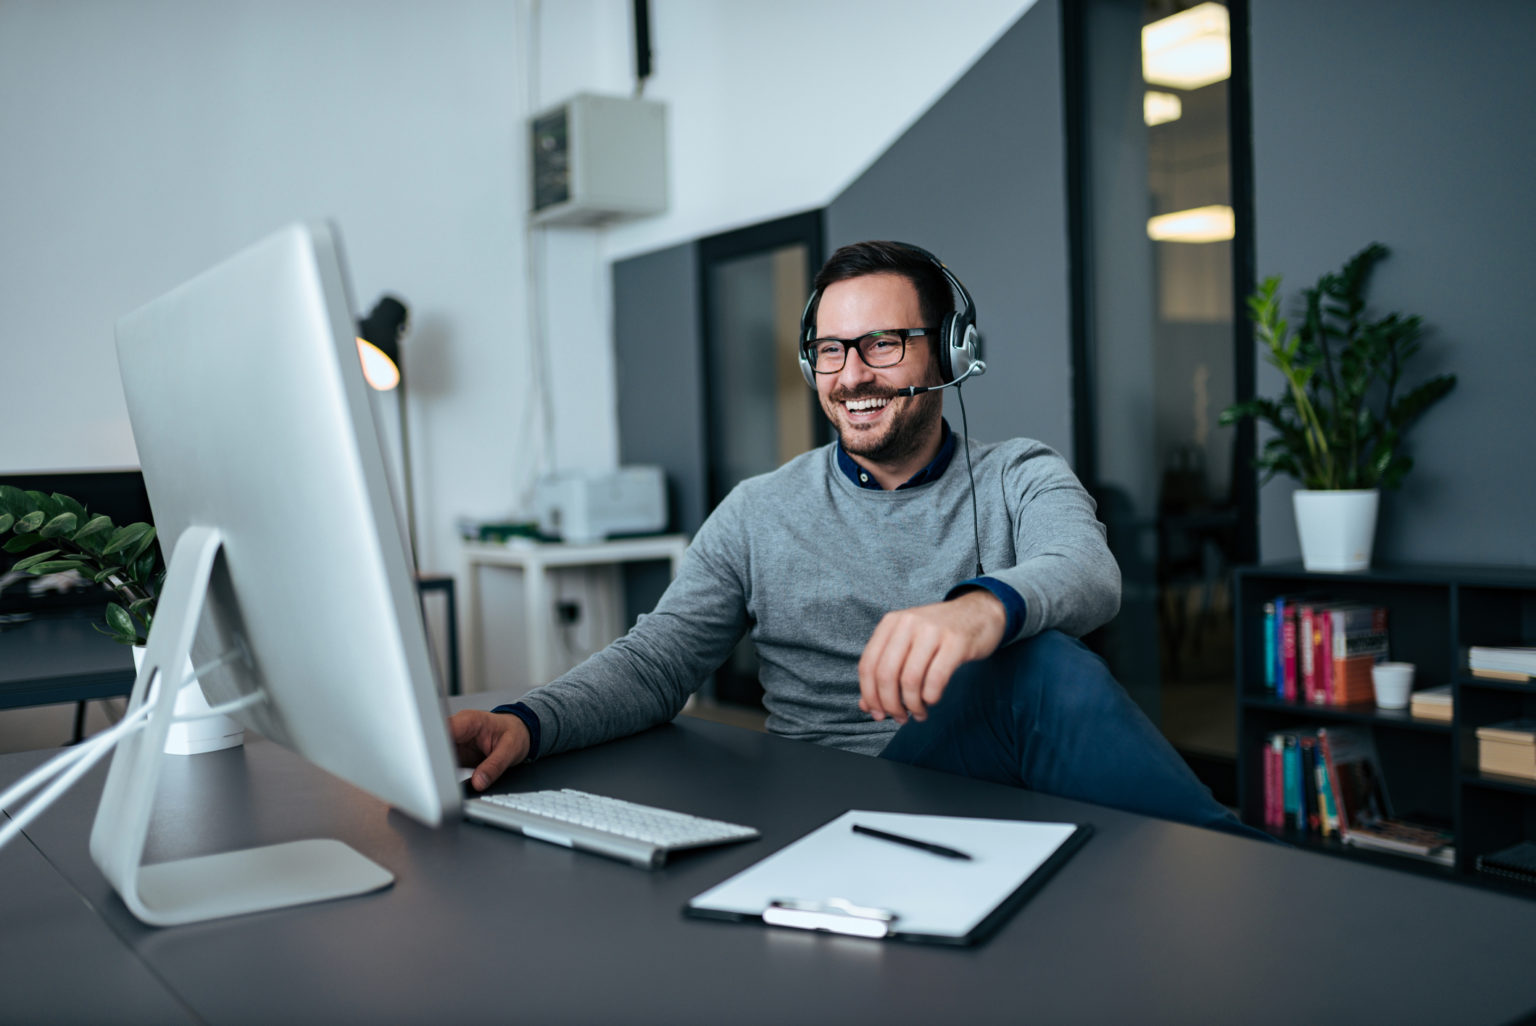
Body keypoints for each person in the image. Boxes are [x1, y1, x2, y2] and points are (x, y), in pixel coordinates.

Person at [452, 240, 1253, 837]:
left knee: (1032, 664)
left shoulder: (1019, 474)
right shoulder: (758, 509)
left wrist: (980, 610)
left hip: (982, 783)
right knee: (1032, 665)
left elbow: (1087, 570)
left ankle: (1236, 870)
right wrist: (527, 721)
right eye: (831, 350)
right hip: (825, 801)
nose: (852, 375)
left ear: (949, 352)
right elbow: (658, 660)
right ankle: (1245, 865)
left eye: (882, 344)